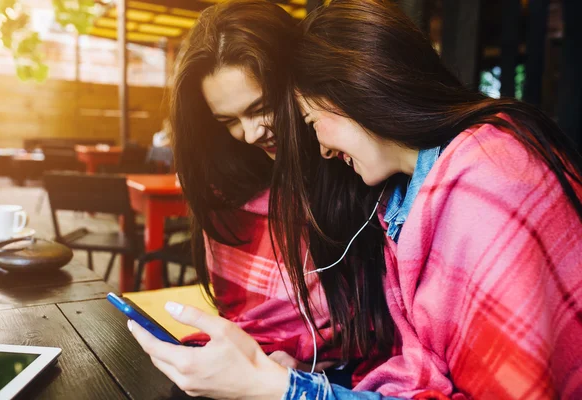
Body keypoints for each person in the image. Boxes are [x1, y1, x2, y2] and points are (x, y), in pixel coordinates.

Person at [130, 0, 582, 399]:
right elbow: (423, 363)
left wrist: (283, 391)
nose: (251, 134)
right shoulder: (408, 197)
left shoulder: (482, 178)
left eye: (307, 119)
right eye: (229, 120)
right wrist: (295, 375)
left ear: (352, 90)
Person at [132, 0, 382, 391]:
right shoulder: (225, 189)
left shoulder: (361, 173)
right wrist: (261, 356)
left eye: (262, 109)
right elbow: (241, 317)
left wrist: (291, 368)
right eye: (228, 120)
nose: (250, 135)